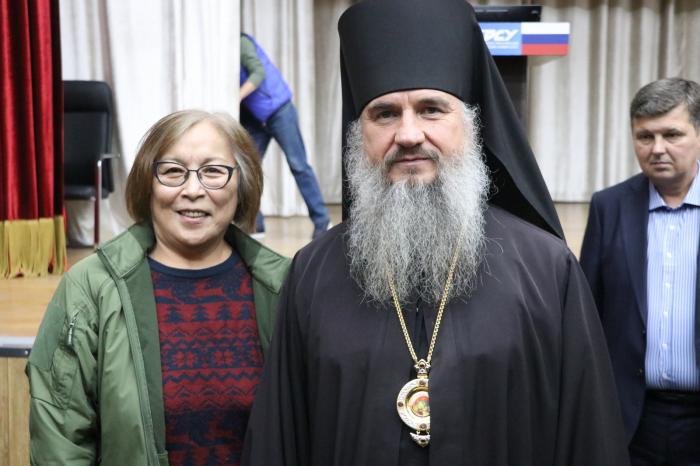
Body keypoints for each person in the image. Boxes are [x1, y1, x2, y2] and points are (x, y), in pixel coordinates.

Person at [242, 1, 630, 465]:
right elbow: (281, 439)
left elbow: (588, 438)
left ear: (470, 125)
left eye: (431, 110)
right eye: (385, 114)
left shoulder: (547, 271)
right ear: (358, 134)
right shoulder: (312, 273)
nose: (408, 134)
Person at [26, 110, 291, 465]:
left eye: (213, 171)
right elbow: (60, 442)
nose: (193, 190)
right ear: (147, 183)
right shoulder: (91, 287)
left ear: (241, 184)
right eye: (173, 171)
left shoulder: (285, 286)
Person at [580, 77, 700, 464]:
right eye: (645, 136)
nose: (657, 148)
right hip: (631, 417)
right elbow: (588, 312)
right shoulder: (609, 207)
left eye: (672, 134)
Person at [239, 32, 330, 239]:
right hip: (255, 118)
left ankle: (322, 221)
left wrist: (236, 95)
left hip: (279, 111)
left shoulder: (241, 42)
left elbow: (257, 73)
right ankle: (256, 224)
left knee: (299, 165)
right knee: (248, 168)